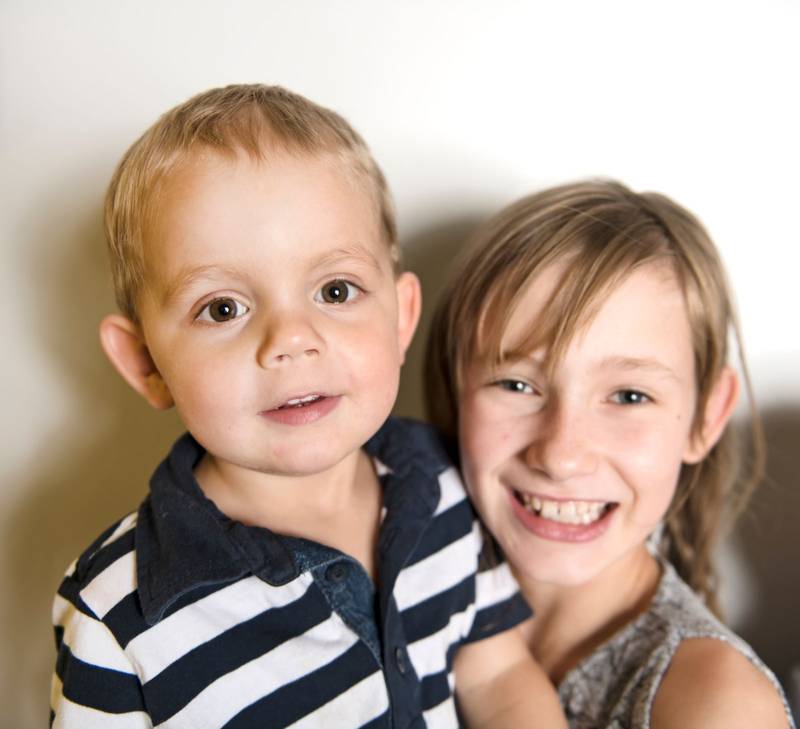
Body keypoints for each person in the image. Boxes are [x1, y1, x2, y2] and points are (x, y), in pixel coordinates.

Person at [50, 85, 568, 729]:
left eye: (335, 290)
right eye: (223, 308)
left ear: (401, 318)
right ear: (145, 362)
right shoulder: (118, 614)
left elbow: (498, 675)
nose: (291, 340)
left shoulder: (441, 479)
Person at [425, 180, 796, 728]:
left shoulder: (717, 706)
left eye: (629, 396)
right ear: (454, 390)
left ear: (706, 417)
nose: (560, 456)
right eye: (517, 385)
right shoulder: (400, 577)